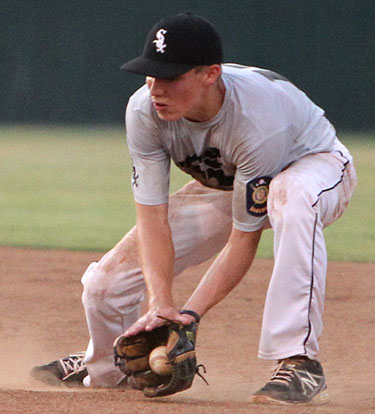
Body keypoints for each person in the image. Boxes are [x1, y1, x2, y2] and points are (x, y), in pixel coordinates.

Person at [31, 12, 357, 405]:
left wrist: (189, 317)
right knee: (105, 285)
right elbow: (152, 217)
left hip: (313, 167)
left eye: (171, 77)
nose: (156, 88)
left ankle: (299, 360)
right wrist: (162, 307)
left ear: (210, 74)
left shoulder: (257, 119)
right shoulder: (144, 112)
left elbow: (243, 239)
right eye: (151, 75)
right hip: (227, 185)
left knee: (289, 195)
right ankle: (104, 363)